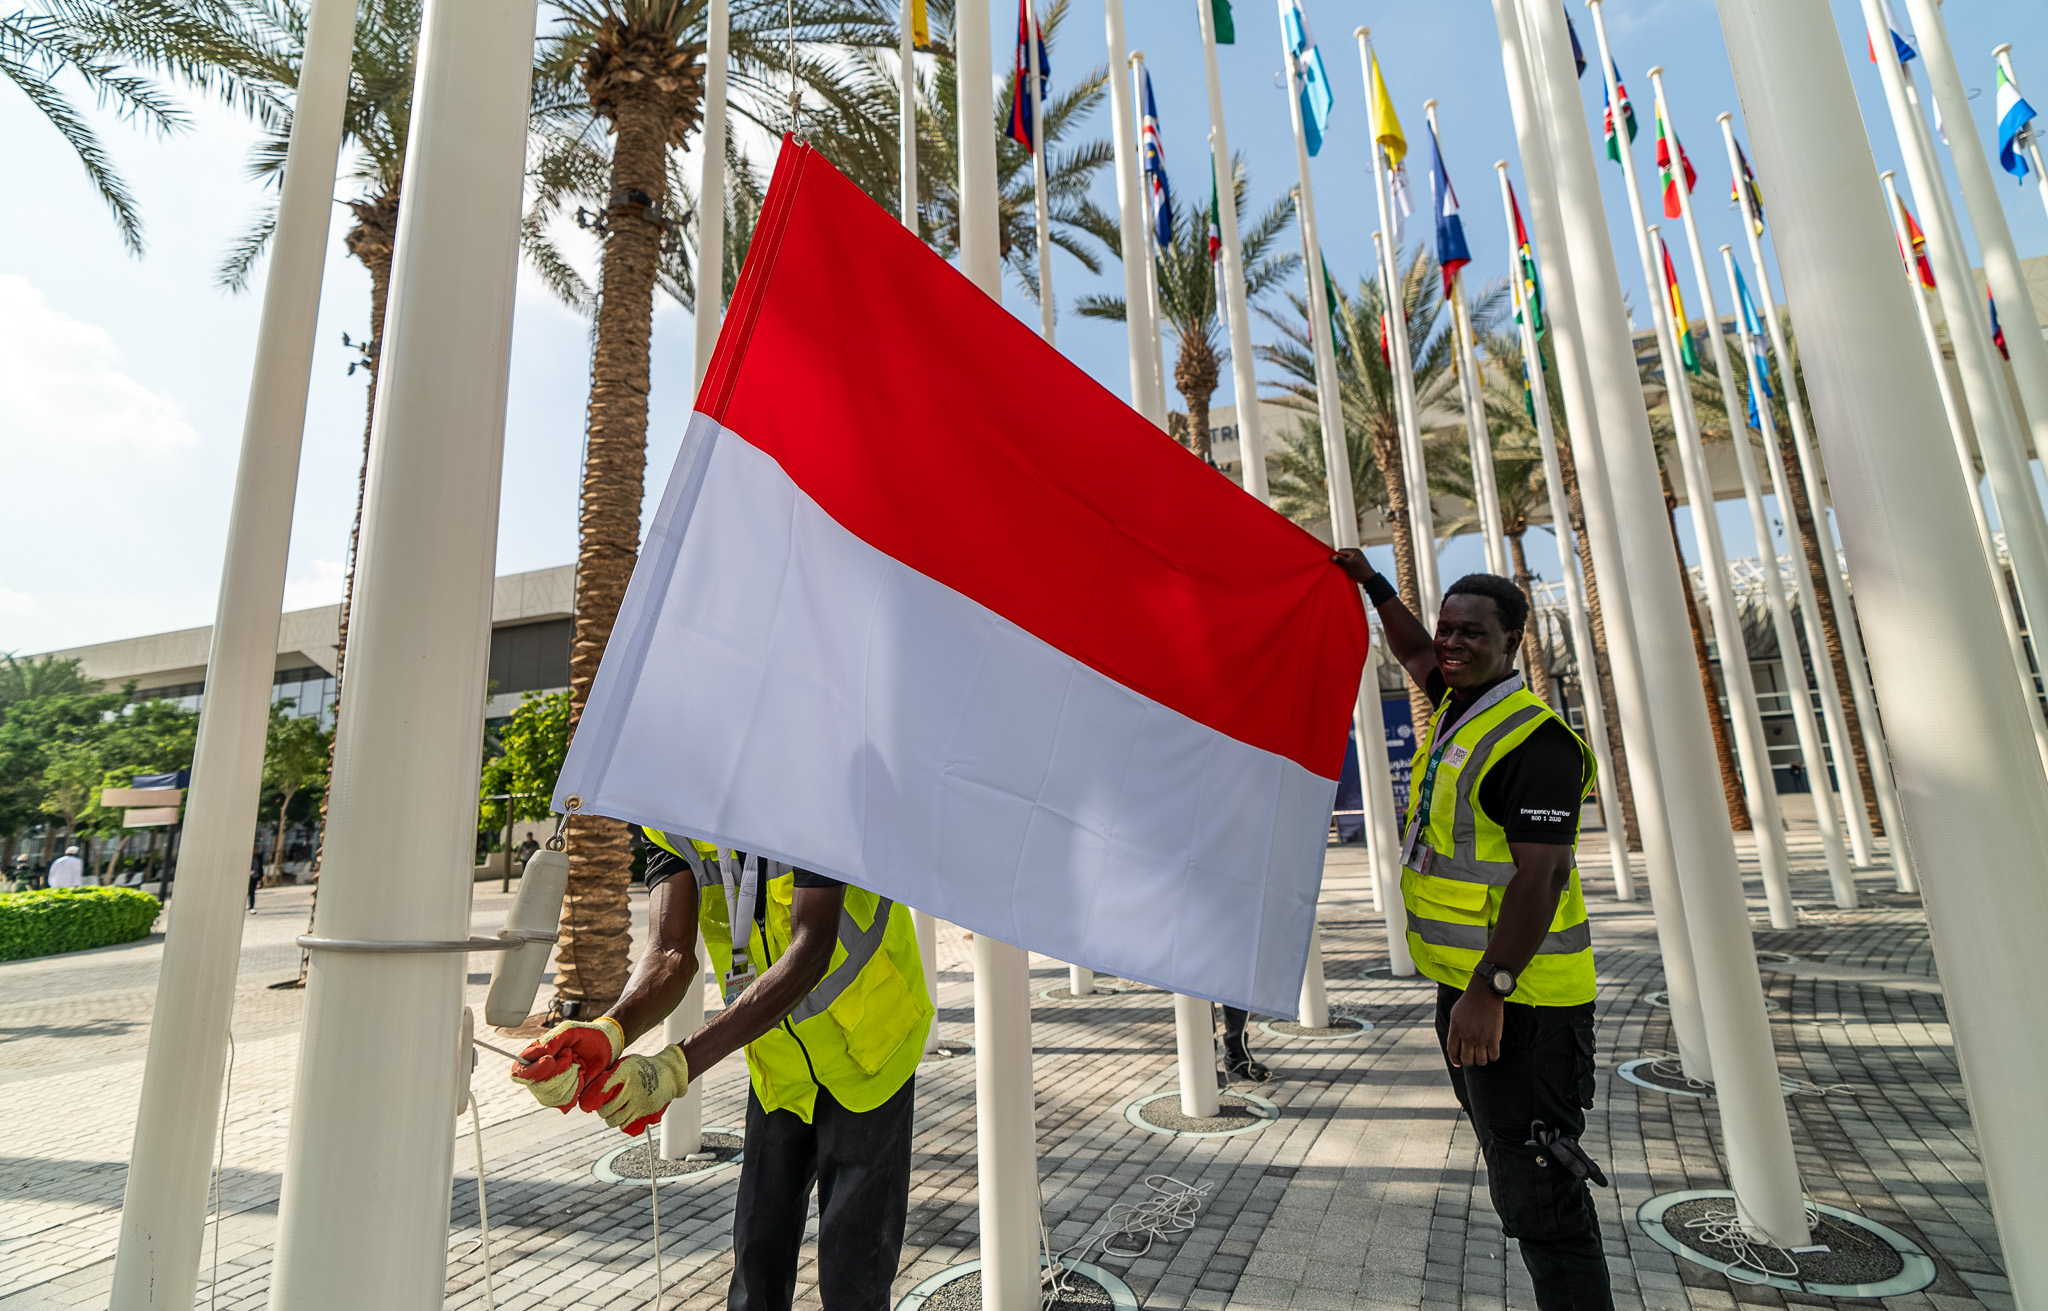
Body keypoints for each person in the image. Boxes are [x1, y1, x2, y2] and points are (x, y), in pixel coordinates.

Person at [1333, 552, 1611, 1311]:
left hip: (1524, 1004)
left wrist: (1489, 989)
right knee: (1511, 1163)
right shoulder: (1460, 703)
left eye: (1471, 633)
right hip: (1470, 992)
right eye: (1448, 628)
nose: (1450, 645)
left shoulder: (1535, 743)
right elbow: (1415, 649)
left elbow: (1541, 878)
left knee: (1543, 1192)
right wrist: (1372, 583)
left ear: (1514, 638)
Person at [513, 830, 933, 1311]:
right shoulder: (668, 824)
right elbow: (670, 953)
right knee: (756, 1262)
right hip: (781, 1069)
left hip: (873, 1049)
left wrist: (675, 1068)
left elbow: (811, 948)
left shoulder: (811, 781)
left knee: (853, 1275)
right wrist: (610, 1032)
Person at [248, 845, 265, 911]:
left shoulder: (258, 857)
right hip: (248, 877)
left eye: (256, 849)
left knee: (252, 892)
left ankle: (251, 906)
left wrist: (261, 878)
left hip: (254, 877)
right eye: (254, 849)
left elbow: (260, 867)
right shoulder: (248, 857)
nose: (256, 850)